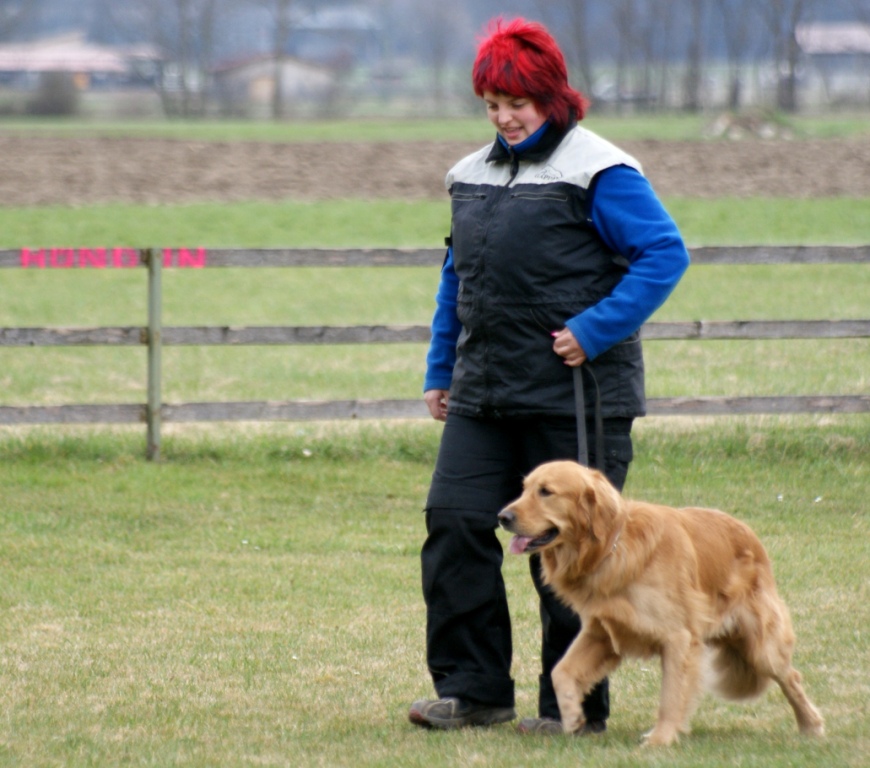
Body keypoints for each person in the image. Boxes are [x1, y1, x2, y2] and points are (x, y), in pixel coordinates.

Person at [408, 17, 690, 734]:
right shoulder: (470, 175)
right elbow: (456, 279)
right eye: (491, 105)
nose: (504, 118)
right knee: (454, 523)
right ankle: (474, 691)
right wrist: (441, 368)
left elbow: (664, 253)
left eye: (517, 104)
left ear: (552, 96)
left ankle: (572, 710)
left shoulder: (601, 170)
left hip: (575, 394)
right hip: (484, 389)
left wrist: (594, 330)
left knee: (572, 545)